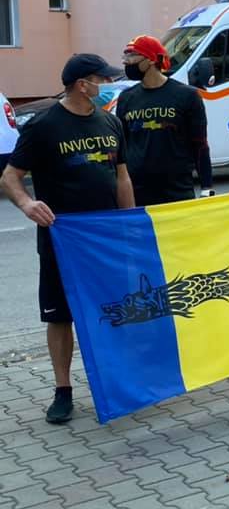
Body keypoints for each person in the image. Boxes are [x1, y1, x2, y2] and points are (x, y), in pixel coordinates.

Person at [1, 54, 134, 424]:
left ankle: (118, 380)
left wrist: (130, 224)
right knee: (60, 316)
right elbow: (10, 177)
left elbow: (121, 176)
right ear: (82, 84)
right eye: (102, 80)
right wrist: (27, 204)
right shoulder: (44, 125)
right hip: (63, 238)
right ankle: (63, 391)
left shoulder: (110, 121)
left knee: (114, 308)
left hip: (106, 238)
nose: (108, 86)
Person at [117, 35, 214, 205]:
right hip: (138, 192)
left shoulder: (187, 96)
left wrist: (206, 187)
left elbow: (200, 144)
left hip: (177, 191)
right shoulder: (126, 98)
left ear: (151, 59)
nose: (126, 61)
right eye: (125, 56)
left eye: (132, 55)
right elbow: (122, 147)